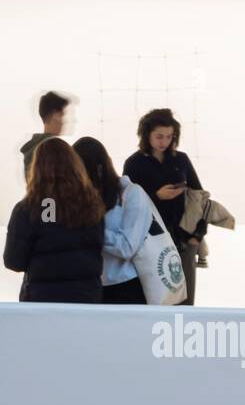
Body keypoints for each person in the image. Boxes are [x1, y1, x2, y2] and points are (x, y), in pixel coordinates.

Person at [3, 138, 104, 303]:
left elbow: (14, 261)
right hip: (86, 298)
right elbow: (98, 245)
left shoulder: (28, 208)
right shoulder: (93, 204)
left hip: (42, 300)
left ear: (37, 169)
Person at [123, 108, 204, 305]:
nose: (164, 142)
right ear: (146, 135)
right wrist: (156, 195)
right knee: (156, 297)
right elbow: (127, 202)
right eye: (159, 136)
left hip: (183, 239)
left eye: (169, 136)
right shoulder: (134, 163)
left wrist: (197, 237)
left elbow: (199, 197)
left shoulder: (181, 159)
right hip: (151, 242)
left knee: (184, 299)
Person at [72, 137, 152, 304]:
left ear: (99, 169)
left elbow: (127, 247)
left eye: (81, 173)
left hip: (126, 287)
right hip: (89, 286)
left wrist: (92, 230)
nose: (78, 181)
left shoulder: (132, 193)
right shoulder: (81, 198)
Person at [20, 91, 69, 177]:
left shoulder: (31, 149)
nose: (65, 121)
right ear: (56, 116)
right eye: (63, 115)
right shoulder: (54, 149)